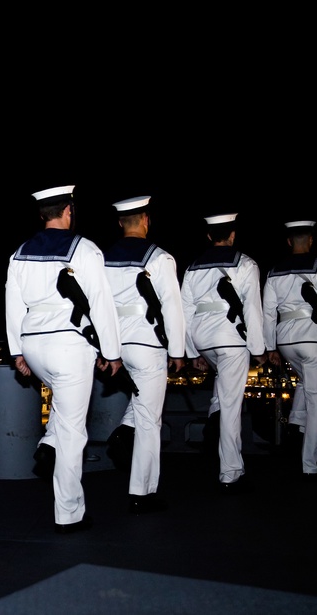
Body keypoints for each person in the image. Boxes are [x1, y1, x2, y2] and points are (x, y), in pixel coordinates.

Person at [5, 185, 122, 533]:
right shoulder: (84, 249)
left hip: (34, 344)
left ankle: (48, 444)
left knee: (63, 407)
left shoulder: (20, 252)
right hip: (69, 345)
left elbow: (12, 303)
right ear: (68, 211)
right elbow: (101, 302)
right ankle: (68, 513)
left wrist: (16, 352)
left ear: (42, 214)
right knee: (74, 429)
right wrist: (111, 352)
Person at [103, 196, 187, 514]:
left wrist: (103, 348)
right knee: (151, 419)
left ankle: (124, 432)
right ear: (146, 220)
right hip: (148, 343)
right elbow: (172, 308)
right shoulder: (160, 258)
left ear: (120, 223)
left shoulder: (103, 258)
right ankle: (143, 491)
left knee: (142, 404)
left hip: (116, 345)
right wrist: (178, 350)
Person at [181, 213, 266, 493]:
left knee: (223, 390)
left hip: (203, 337)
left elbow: (185, 311)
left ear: (209, 236)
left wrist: (193, 351)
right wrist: (258, 348)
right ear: (232, 235)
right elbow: (252, 308)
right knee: (232, 406)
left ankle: (213, 421)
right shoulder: (246, 264)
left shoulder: (193, 267)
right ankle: (230, 472)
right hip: (231, 339)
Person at [262, 220, 317, 479]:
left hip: (286, 340)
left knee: (304, 380)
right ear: (310, 240)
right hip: (313, 338)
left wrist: (269, 345)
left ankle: (297, 419)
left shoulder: (274, 271)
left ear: (289, 242)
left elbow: (267, 312)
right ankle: (311, 463)